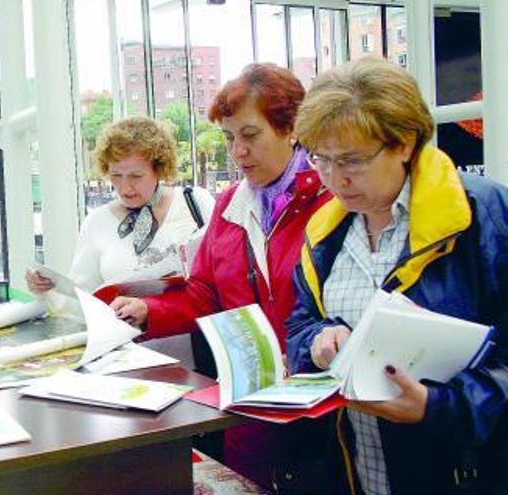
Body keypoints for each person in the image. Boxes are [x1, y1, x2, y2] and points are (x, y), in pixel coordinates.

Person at [108, 63, 337, 492]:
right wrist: (147, 310)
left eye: (250, 135)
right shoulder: (230, 205)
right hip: (248, 413)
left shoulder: (333, 201)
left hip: (322, 416)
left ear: (291, 128)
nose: (237, 151)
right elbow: (204, 294)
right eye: (230, 137)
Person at [286, 57, 508, 494]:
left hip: (465, 474)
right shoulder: (327, 232)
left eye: (352, 160)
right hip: (362, 471)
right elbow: (300, 322)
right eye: (322, 160)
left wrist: (439, 406)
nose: (334, 179)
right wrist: (318, 340)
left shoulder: (481, 217)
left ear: (404, 144)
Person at [26, 116, 214, 299]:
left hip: (191, 327)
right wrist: (47, 289)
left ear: (159, 169)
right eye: (116, 175)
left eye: (136, 176)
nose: (125, 188)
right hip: (123, 329)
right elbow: (81, 297)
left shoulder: (196, 202)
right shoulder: (97, 222)